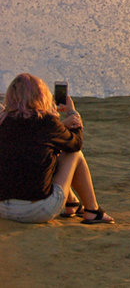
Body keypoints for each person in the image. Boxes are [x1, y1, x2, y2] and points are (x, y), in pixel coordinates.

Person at [0, 73, 114, 224]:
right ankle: (92, 210)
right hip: (36, 211)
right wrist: (74, 116)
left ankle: (72, 203)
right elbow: (75, 144)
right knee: (74, 155)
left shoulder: (3, 120)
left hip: (3, 209)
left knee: (47, 152)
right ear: (41, 95)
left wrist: (61, 126)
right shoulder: (47, 122)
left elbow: (29, 139)